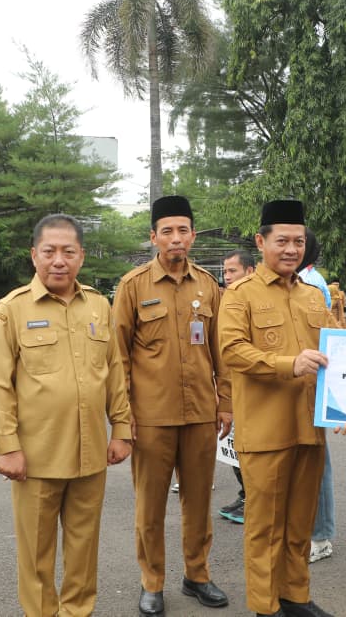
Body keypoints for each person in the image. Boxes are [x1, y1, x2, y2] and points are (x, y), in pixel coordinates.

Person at [0, 214, 132, 617]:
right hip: (37, 457)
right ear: (34, 255)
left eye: (68, 252)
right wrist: (7, 446)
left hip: (90, 453)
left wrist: (121, 429)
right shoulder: (12, 309)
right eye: (49, 251)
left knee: (84, 548)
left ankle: (77, 612)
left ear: (81, 256)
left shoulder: (99, 305)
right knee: (36, 551)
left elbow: (114, 372)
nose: (58, 260)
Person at [112, 195, 232, 616]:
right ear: (154, 237)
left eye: (183, 230)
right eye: (167, 231)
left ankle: (197, 575)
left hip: (200, 413)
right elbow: (117, 357)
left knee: (198, 502)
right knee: (150, 506)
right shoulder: (133, 286)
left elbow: (221, 351)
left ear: (193, 235)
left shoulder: (209, 286)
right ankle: (152, 582)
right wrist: (123, 416)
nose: (176, 238)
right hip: (151, 417)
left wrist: (226, 402)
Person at [218, 199, 335, 617]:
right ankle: (265, 606)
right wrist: (289, 364)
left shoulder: (313, 297)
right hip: (265, 431)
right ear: (261, 242)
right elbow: (232, 350)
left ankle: (295, 596)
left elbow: (338, 352)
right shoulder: (240, 295)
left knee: (300, 522)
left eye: (298, 242)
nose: (291, 249)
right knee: (265, 526)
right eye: (282, 241)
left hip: (309, 429)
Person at [298, 231, 336, 565]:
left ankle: (320, 536)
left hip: (312, 383)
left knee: (317, 463)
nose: (289, 248)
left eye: (296, 243)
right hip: (290, 383)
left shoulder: (311, 283)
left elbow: (330, 336)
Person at [219, 249, 257, 525]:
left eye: (233, 271)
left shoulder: (257, 301)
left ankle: (254, 501)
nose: (227, 276)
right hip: (229, 386)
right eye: (225, 272)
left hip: (252, 389)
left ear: (250, 271)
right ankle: (245, 496)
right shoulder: (225, 299)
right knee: (232, 447)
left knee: (250, 450)